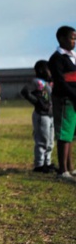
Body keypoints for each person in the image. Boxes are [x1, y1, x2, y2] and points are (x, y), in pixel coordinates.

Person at [48, 26, 76, 181]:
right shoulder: (57, 58)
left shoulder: (72, 56)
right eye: (72, 38)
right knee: (64, 134)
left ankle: (70, 168)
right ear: (61, 39)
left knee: (70, 134)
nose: (74, 41)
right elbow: (60, 81)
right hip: (65, 99)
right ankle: (62, 170)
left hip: (73, 99)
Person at [20, 60, 55, 173]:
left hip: (50, 115)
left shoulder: (48, 82)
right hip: (41, 115)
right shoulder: (36, 82)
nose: (50, 71)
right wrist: (37, 102)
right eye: (48, 69)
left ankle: (47, 162)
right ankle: (39, 164)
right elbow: (25, 91)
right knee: (42, 140)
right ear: (41, 70)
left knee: (50, 141)